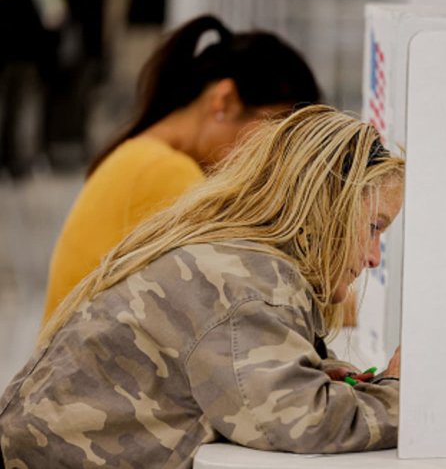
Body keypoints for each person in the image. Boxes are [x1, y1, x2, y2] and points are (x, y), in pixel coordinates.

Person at [0, 105, 404, 467]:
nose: (373, 256)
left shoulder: (239, 259)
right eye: (373, 228)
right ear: (324, 209)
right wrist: (404, 394)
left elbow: (276, 382)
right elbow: (304, 422)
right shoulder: (250, 282)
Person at [41, 14, 321, 324]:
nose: (276, 157)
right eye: (276, 134)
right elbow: (247, 302)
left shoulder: (142, 154)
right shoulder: (164, 172)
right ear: (224, 101)